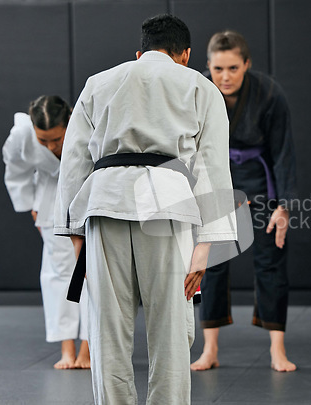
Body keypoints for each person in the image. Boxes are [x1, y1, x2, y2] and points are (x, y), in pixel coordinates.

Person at [54, 14, 236, 405]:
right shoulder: (200, 87)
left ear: (139, 53)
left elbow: (73, 165)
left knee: (107, 330)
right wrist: (205, 249)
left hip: (105, 204)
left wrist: (74, 236)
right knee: (170, 329)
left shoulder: (98, 84)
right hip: (168, 206)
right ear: (185, 54)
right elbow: (213, 169)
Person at [191, 31, 298, 373]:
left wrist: (284, 205)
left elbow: (283, 153)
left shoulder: (269, 93)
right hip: (216, 184)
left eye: (233, 68)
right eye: (218, 68)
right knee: (211, 265)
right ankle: (209, 349)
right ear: (207, 65)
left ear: (247, 65)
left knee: (271, 263)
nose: (225, 76)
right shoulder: (198, 93)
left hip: (261, 184)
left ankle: (277, 350)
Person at [2, 95, 90, 369]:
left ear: (68, 125)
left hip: (87, 197)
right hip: (49, 200)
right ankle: (66, 347)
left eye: (57, 139)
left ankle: (88, 347)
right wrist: (29, 203)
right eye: (44, 141)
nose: (52, 146)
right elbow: (15, 168)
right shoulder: (22, 134)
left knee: (91, 272)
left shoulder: (85, 123)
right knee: (58, 273)